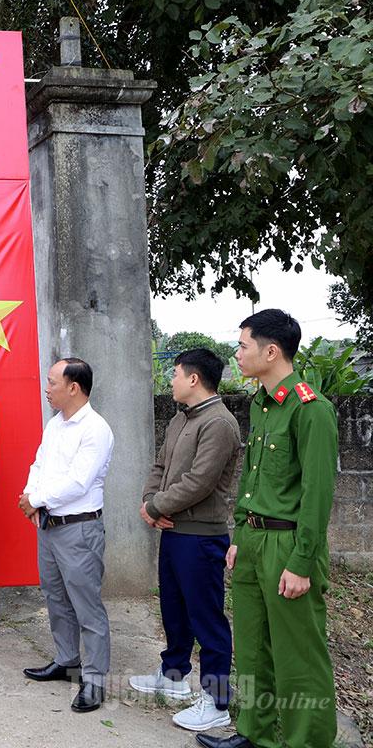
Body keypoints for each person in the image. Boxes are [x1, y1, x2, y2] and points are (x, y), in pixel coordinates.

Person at [197, 310, 338, 748]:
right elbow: (252, 478)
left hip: (287, 544)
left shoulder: (311, 409)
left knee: (298, 654)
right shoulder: (261, 404)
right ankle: (254, 733)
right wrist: (240, 536)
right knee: (252, 646)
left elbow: (317, 495)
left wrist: (302, 562)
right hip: (254, 541)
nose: (237, 354)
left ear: (271, 351)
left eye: (243, 346)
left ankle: (307, 741)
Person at [130, 348, 241, 732]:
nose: (171, 380)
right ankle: (174, 675)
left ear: (194, 378)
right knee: (174, 609)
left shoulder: (219, 423)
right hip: (174, 531)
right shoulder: (181, 418)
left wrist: (156, 506)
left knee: (206, 618)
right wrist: (150, 501)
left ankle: (217, 700)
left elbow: (200, 481)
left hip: (201, 537)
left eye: (175, 373)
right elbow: (160, 466)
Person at [19, 357, 114, 714]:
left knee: (87, 605)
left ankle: (95, 679)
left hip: (79, 529)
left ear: (74, 387)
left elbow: (79, 481)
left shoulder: (95, 429)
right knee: (56, 597)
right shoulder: (56, 424)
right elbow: (39, 464)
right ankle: (67, 660)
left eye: (52, 382)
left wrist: (35, 500)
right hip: (49, 526)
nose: (47, 389)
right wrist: (30, 495)